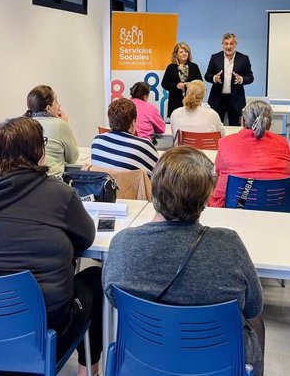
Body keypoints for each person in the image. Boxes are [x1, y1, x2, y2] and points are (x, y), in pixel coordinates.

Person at [0, 117, 102, 376]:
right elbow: (86, 238)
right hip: (38, 332)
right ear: (36, 151)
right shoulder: (59, 194)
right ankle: (89, 371)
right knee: (95, 279)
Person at [102, 147, 266, 376]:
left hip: (143, 361)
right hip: (217, 366)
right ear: (205, 200)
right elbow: (254, 307)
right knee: (256, 324)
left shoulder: (122, 244)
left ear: (154, 189)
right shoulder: (229, 245)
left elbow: (113, 298)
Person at [209, 101, 290, 213]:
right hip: (278, 210)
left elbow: (219, 171)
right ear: (269, 124)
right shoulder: (282, 143)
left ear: (243, 121)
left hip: (234, 210)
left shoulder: (226, 142)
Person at [90, 98, 159, 175]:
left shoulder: (97, 142)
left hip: (103, 187)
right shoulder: (144, 146)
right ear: (133, 122)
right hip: (132, 187)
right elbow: (160, 174)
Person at [25, 85, 79, 177]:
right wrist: (65, 124)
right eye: (56, 101)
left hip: (28, 181)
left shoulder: (24, 124)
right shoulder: (59, 125)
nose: (59, 105)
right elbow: (73, 158)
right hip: (52, 181)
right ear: (48, 108)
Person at [205, 33, 254, 125]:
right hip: (217, 99)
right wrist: (214, 78)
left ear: (236, 44)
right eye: (226, 43)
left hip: (235, 100)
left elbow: (250, 77)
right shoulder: (215, 57)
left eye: (231, 43)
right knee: (216, 126)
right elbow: (207, 75)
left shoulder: (244, 58)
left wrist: (242, 79)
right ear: (222, 45)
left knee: (235, 127)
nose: (228, 46)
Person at [161, 42, 203, 117]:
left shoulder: (194, 67)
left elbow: (200, 83)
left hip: (191, 102)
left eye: (186, 51)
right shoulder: (171, 67)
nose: (184, 53)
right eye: (181, 52)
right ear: (176, 54)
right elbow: (164, 83)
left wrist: (191, 84)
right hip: (175, 102)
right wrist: (176, 86)